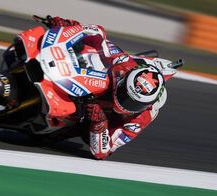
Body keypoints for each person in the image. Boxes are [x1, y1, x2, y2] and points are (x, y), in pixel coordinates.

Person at [44, 16, 167, 159]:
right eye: (125, 94)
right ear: (124, 80)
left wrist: (99, 122)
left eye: (133, 103)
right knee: (85, 48)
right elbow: (98, 34)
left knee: (55, 137)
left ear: (146, 106)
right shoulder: (123, 64)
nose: (124, 102)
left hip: (103, 120)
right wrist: (70, 28)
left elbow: (102, 152)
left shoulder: (141, 119)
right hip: (90, 83)